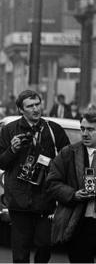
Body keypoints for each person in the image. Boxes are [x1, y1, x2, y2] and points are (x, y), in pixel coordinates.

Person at [0, 90, 70, 262]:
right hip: (19, 200)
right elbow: (1, 162)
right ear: (21, 110)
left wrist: (53, 166)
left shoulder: (53, 130)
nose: (35, 109)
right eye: (30, 106)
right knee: (20, 250)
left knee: (45, 244)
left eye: (37, 104)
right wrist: (12, 150)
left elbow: (67, 160)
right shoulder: (9, 130)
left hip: (46, 199)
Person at [46, 109, 96, 262]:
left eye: (91, 129)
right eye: (82, 129)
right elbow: (52, 183)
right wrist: (73, 194)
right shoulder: (68, 153)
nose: (85, 133)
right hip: (78, 221)